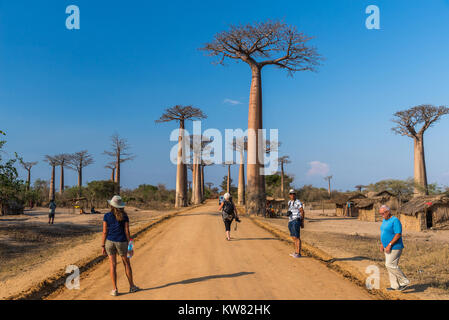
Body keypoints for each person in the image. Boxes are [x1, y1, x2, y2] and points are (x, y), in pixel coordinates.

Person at [102, 195, 140, 296]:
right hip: (122, 242)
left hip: (109, 242)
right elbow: (127, 232)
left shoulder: (106, 216)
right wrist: (130, 246)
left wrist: (102, 245)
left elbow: (105, 232)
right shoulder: (125, 216)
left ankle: (114, 289)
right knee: (126, 264)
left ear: (111, 205)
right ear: (121, 206)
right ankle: (132, 287)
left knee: (112, 265)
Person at [379, 205, 410, 291]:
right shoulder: (384, 220)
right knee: (390, 267)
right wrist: (382, 244)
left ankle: (404, 281)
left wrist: (390, 244)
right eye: (380, 213)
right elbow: (383, 232)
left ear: (388, 212)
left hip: (395, 247)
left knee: (389, 264)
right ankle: (394, 286)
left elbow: (398, 234)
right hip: (386, 247)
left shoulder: (395, 221)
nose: (381, 215)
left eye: (382, 213)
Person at [287, 189, 304, 258]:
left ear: (295, 194)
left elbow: (302, 211)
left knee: (297, 237)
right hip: (290, 221)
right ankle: (296, 252)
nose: (292, 195)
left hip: (296, 220)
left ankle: (298, 253)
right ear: (289, 195)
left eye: (293, 194)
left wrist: (302, 222)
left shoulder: (298, 202)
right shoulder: (289, 202)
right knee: (293, 237)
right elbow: (290, 210)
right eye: (291, 194)